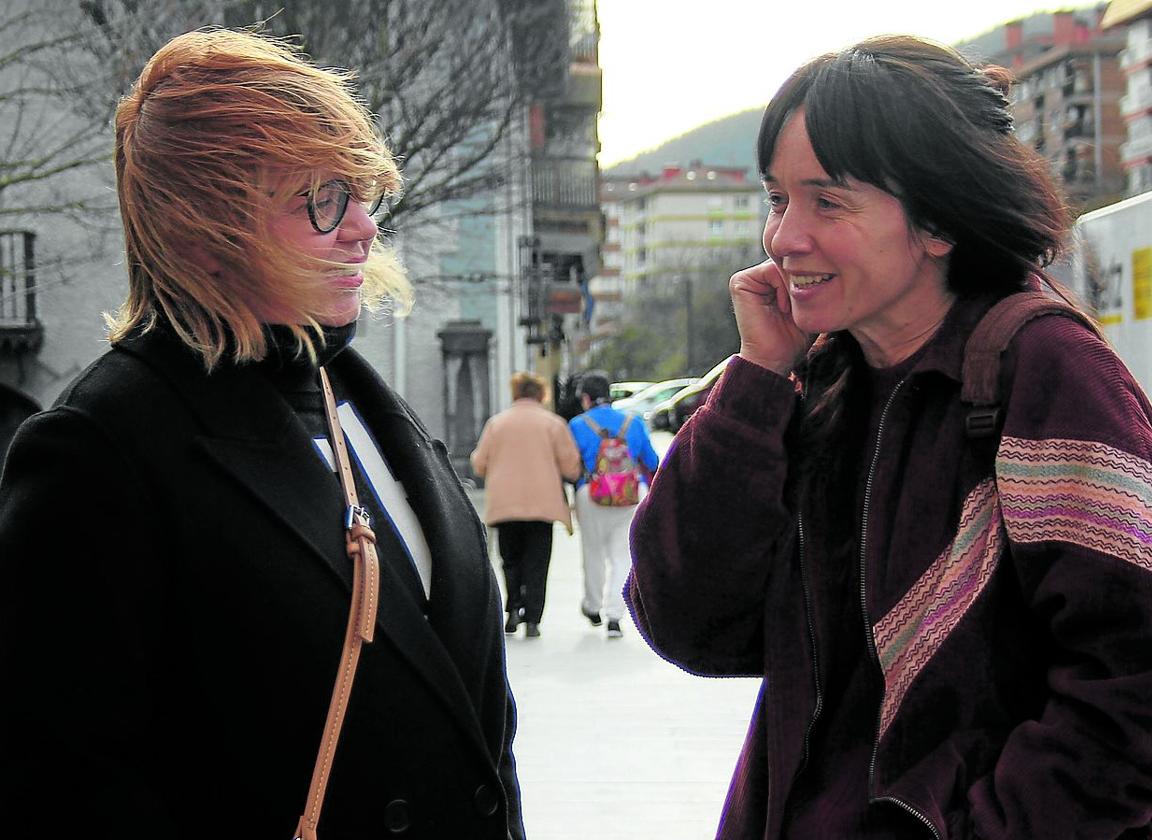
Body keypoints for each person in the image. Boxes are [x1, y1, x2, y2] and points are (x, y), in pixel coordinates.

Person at [626, 35, 1152, 840]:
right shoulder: (821, 380)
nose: (784, 239)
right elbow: (688, 622)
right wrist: (756, 383)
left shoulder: (1047, 372)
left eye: (827, 203)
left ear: (936, 220)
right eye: (777, 199)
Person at [0, 29, 525, 840]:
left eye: (358, 192)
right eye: (320, 199)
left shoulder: (361, 395)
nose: (363, 229)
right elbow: (67, 785)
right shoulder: (98, 452)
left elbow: (478, 737)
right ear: (204, 228)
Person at [470, 371, 582, 639]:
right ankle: (533, 619)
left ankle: (512, 610)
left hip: (505, 504)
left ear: (515, 393)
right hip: (543, 505)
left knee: (509, 559)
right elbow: (571, 466)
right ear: (541, 395)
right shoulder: (553, 424)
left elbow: (479, 463)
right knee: (537, 562)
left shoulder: (497, 424)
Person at [570, 371, 659, 638]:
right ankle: (614, 617)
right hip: (631, 492)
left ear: (586, 398)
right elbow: (652, 461)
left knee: (593, 553)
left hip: (591, 493)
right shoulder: (632, 422)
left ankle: (593, 606)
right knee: (622, 554)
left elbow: (570, 466)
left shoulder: (576, 424)